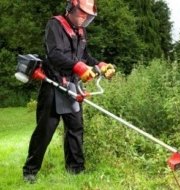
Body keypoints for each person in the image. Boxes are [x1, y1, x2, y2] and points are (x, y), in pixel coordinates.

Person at [23, 0, 115, 183]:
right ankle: (30, 172)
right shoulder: (55, 25)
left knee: (75, 128)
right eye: (81, 14)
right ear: (70, 9)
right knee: (45, 130)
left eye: (87, 16)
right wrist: (79, 67)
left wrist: (100, 65)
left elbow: (85, 56)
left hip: (72, 87)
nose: (84, 18)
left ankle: (76, 170)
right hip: (53, 85)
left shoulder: (81, 31)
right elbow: (55, 55)